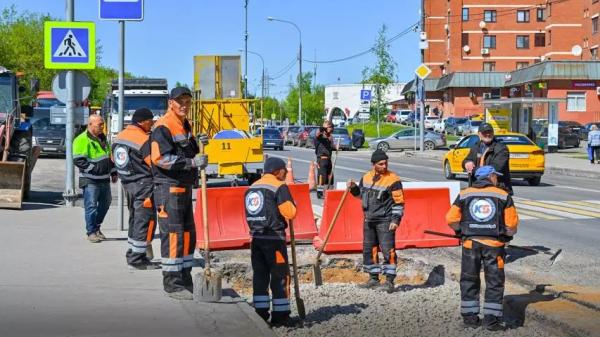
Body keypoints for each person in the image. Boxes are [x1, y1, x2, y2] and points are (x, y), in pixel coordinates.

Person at [151, 87, 208, 300]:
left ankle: (185, 278)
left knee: (187, 235)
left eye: (187, 101)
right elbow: (160, 158)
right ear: (170, 103)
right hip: (168, 188)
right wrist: (192, 162)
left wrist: (198, 143)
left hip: (183, 188)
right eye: (180, 101)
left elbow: (187, 150)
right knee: (174, 235)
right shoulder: (163, 127)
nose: (184, 105)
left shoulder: (184, 124)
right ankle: (172, 284)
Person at [445, 165, 519, 331]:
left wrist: (460, 231)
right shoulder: (502, 195)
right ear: (491, 177)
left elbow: (450, 218)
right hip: (494, 246)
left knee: (469, 279)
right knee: (494, 281)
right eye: (496, 176)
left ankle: (470, 318)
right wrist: (507, 236)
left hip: (470, 244)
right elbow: (512, 224)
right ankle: (491, 321)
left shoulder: (465, 194)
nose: (497, 179)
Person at [244, 157, 297, 326]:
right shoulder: (279, 186)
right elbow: (290, 213)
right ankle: (281, 315)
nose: (286, 172)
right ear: (276, 171)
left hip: (256, 238)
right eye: (284, 170)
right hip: (274, 239)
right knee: (280, 276)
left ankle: (260, 313)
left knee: (260, 275)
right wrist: (292, 204)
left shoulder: (252, 188)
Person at [347, 149, 405, 294]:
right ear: (373, 164)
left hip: (385, 221)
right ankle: (373, 278)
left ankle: (389, 281)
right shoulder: (366, 177)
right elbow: (360, 195)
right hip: (369, 220)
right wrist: (353, 188)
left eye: (386, 163)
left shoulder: (393, 179)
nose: (384, 166)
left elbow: (399, 202)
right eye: (381, 164)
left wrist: (395, 220)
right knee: (369, 249)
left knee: (388, 251)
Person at [113, 108, 159, 269]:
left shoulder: (120, 136)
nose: (152, 124)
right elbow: (155, 162)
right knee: (144, 221)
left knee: (134, 219)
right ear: (143, 121)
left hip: (128, 184)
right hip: (144, 185)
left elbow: (115, 160)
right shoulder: (143, 139)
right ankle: (137, 259)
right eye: (150, 121)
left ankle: (133, 251)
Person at [73, 114, 117, 243]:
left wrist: (113, 172)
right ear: (90, 124)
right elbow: (78, 160)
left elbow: (109, 158)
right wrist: (94, 169)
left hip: (104, 179)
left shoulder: (103, 138)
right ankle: (91, 232)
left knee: (106, 203)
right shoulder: (81, 139)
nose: (102, 127)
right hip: (90, 179)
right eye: (99, 125)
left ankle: (96, 227)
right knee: (91, 206)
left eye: (103, 124)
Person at [463, 123, 512, 195]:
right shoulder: (476, 146)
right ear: (479, 134)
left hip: (498, 189)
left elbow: (493, 168)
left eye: (490, 132)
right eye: (485, 132)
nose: (488, 134)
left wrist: (473, 169)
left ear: (493, 133)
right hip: (477, 188)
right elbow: (466, 160)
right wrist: (466, 163)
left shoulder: (501, 148)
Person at [315, 121, 335, 199]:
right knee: (322, 177)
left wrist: (335, 147)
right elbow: (318, 133)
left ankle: (329, 193)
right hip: (321, 159)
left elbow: (331, 146)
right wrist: (323, 128)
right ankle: (319, 193)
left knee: (330, 177)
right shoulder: (320, 136)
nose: (332, 129)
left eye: (332, 127)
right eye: (330, 127)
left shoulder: (330, 137)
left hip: (329, 159)